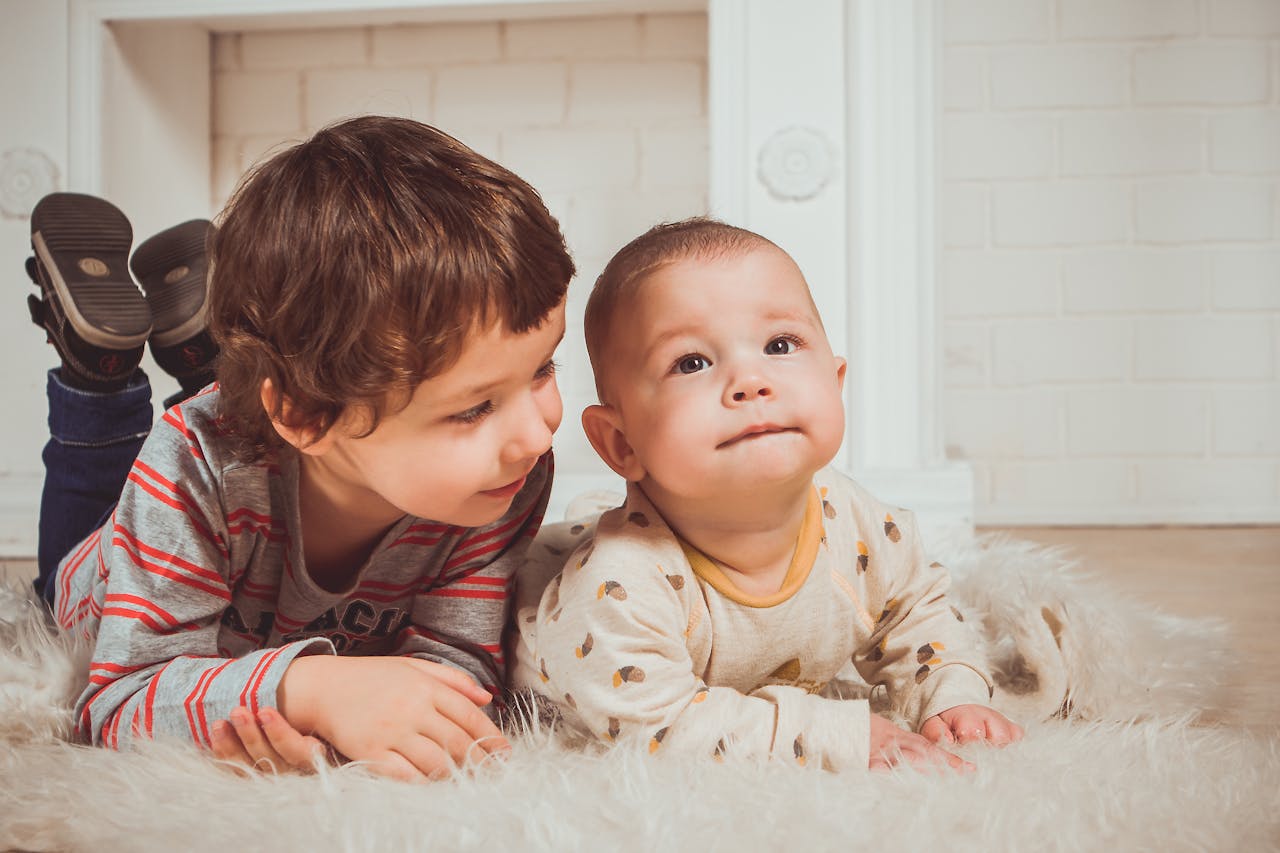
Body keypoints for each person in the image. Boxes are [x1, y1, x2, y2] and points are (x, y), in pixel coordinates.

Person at [25, 116, 575, 782]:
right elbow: (116, 704)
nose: (538, 432)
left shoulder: (499, 480)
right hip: (107, 567)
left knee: (242, 417)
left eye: (544, 368)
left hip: (272, 438)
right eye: (473, 407)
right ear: (307, 414)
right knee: (65, 559)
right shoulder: (191, 466)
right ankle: (99, 373)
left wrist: (390, 714)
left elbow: (458, 664)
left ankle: (218, 349)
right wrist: (305, 689)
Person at [511, 218, 1021, 771]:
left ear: (835, 380)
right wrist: (831, 735)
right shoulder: (618, 587)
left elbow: (917, 614)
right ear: (620, 442)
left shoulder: (858, 524)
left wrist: (952, 692)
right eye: (692, 363)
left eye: (780, 345)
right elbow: (657, 728)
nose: (750, 381)